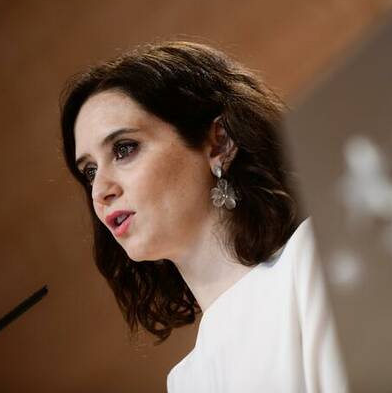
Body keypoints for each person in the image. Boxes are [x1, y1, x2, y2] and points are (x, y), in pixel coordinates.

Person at [59, 41, 348, 392]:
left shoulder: (313, 259)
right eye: (89, 172)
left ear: (219, 142)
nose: (100, 191)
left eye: (124, 149)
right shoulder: (185, 382)